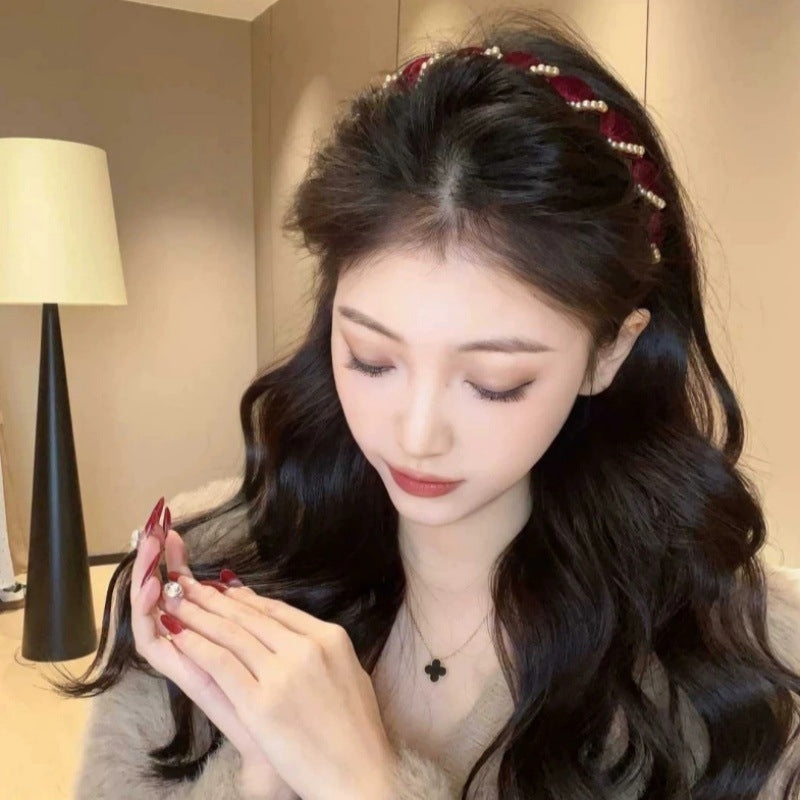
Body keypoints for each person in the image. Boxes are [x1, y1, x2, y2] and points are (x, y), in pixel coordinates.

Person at [51, 7, 800, 800]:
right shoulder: (207, 581)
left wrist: (365, 783)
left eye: (494, 381)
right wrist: (260, 776)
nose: (415, 435)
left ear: (609, 352)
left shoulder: (744, 673)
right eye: (372, 359)